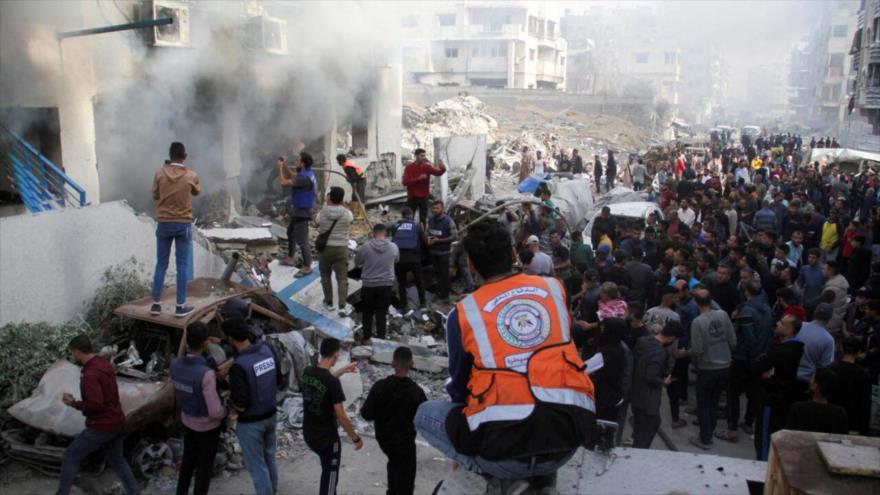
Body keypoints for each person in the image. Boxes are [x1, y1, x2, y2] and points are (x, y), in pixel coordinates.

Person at [415, 218, 596, 493]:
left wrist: (462, 441)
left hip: (503, 455)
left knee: (424, 414)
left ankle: (496, 476)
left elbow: (460, 388)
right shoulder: (554, 288)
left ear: (472, 267)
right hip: (570, 437)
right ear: (513, 255)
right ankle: (542, 477)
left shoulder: (464, 313)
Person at [57, 335, 140, 495]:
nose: (73, 356)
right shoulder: (102, 363)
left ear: (77, 352)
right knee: (117, 460)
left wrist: (73, 403)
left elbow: (96, 405)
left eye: (72, 353)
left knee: (70, 457)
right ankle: (134, 491)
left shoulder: (90, 375)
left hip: (101, 426)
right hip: (116, 421)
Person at [360, 347, 427, 495]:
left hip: (384, 440)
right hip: (405, 442)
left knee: (394, 465)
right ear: (412, 364)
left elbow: (366, 414)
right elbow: (424, 420)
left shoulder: (379, 387)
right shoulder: (416, 392)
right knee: (406, 476)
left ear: (392, 363)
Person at [223, 319, 278, 495]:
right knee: (269, 457)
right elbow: (280, 380)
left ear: (231, 339)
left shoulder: (239, 366)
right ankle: (273, 490)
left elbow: (240, 402)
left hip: (251, 423)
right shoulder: (266, 350)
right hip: (271, 415)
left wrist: (230, 407)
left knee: (257, 466)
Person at [303, 338, 363, 495]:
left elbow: (324, 383)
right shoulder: (332, 383)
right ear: (336, 354)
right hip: (327, 439)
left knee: (326, 469)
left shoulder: (308, 372)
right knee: (330, 477)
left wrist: (343, 370)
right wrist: (355, 437)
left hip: (309, 433)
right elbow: (341, 416)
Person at [171, 323, 226, 495]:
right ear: (204, 343)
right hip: (207, 428)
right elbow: (215, 411)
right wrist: (226, 412)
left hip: (188, 422)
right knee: (203, 470)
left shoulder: (175, 365)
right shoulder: (205, 373)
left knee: (187, 463)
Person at [718, 281, 772, 443]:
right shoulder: (767, 309)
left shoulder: (747, 310)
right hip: (760, 358)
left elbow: (749, 337)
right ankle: (748, 422)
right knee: (753, 392)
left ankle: (732, 429)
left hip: (744, 358)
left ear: (747, 292)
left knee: (733, 393)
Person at [150, 142, 200, 317]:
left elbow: (155, 195)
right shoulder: (191, 175)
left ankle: (155, 304)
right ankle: (180, 306)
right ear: (184, 156)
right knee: (182, 265)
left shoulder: (159, 173)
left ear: (169, 155)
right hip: (182, 224)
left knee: (161, 264)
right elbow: (197, 192)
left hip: (163, 222)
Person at [686, 288, 737, 450]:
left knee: (703, 403)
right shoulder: (722, 315)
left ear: (695, 303)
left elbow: (697, 350)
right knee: (714, 401)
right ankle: (710, 431)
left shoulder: (698, 322)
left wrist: (685, 353)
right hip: (725, 366)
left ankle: (705, 438)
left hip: (707, 368)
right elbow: (733, 341)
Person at [752, 315, 805, 460]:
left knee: (764, 437)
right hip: (780, 398)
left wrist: (762, 364)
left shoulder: (782, 352)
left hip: (771, 399)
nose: (777, 323)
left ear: (790, 330)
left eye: (782, 323)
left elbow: (758, 366)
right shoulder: (795, 348)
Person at [630, 321, 682, 448]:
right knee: (647, 429)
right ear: (672, 338)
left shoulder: (642, 341)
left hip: (635, 392)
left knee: (641, 426)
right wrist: (664, 382)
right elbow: (651, 376)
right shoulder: (660, 352)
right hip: (648, 398)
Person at [356, 223, 399, 343]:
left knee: (367, 313)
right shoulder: (394, 247)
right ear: (385, 233)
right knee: (381, 312)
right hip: (386, 285)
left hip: (369, 285)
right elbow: (396, 260)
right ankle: (381, 339)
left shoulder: (365, 247)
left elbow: (357, 262)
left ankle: (366, 338)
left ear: (373, 233)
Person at [316, 186, 354, 315]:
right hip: (341, 248)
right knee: (342, 278)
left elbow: (316, 221)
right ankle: (342, 306)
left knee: (325, 275)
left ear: (330, 197)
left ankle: (329, 303)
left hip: (325, 249)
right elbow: (351, 220)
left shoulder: (322, 212)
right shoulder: (347, 213)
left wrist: (326, 204)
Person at [278, 151, 316, 276]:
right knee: (291, 233)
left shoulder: (303, 178)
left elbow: (283, 183)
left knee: (302, 240)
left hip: (302, 212)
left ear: (303, 163)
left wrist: (279, 168)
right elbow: (293, 175)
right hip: (299, 210)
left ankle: (307, 266)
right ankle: (290, 258)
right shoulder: (307, 173)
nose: (295, 161)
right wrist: (285, 166)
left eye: (298, 160)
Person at [827, 336, 872, 434]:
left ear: (841, 348)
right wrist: (864, 429)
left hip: (829, 419)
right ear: (859, 352)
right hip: (852, 422)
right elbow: (865, 403)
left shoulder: (830, 369)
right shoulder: (863, 375)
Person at [785, 366, 848, 434]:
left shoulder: (798, 408)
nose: (810, 380)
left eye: (812, 378)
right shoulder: (840, 413)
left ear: (815, 385)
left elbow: (789, 435)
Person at [391, 207, 427, 313]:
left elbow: (394, 241)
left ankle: (404, 307)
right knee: (419, 281)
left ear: (402, 216)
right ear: (411, 215)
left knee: (402, 283)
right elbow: (423, 242)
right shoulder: (416, 226)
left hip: (400, 260)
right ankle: (423, 304)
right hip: (415, 259)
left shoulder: (395, 226)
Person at [402, 148, 446, 225]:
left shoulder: (427, 167)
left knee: (423, 218)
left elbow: (438, 173)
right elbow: (405, 182)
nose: (424, 157)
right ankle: (410, 233)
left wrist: (443, 168)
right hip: (412, 197)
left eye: (424, 156)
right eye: (422, 156)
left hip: (423, 197)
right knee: (409, 218)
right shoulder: (409, 168)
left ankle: (422, 234)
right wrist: (418, 178)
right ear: (416, 156)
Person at [795, 303, 836, 384]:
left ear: (814, 312)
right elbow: (826, 365)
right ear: (830, 318)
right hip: (806, 380)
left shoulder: (799, 326)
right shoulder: (828, 339)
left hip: (787, 372)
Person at [427, 200, 458, 305]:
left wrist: (439, 240)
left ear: (442, 209)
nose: (435, 210)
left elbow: (454, 236)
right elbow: (428, 232)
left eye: (437, 208)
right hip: (433, 252)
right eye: (433, 208)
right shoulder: (431, 220)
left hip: (444, 253)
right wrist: (427, 239)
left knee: (445, 275)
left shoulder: (448, 221)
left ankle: (445, 296)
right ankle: (439, 293)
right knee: (437, 274)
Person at [337, 154, 367, 221]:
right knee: (354, 197)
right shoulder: (346, 164)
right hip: (358, 180)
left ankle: (361, 215)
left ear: (341, 161)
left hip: (361, 181)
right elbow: (352, 176)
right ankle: (354, 212)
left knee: (360, 196)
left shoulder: (347, 167)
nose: (338, 163)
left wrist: (354, 188)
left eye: (338, 161)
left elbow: (354, 178)